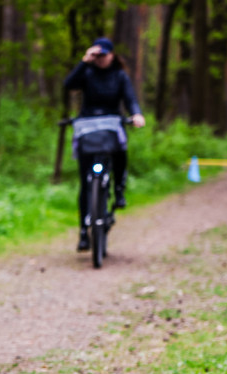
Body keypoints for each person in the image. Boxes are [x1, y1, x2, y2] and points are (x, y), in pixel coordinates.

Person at [64, 37, 145, 252]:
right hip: (87, 127)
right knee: (85, 183)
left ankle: (119, 190)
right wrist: (84, 61)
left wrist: (136, 114)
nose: (100, 60)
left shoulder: (119, 75)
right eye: (97, 56)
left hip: (112, 125)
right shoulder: (87, 73)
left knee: (120, 151)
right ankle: (84, 231)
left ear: (112, 55)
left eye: (104, 55)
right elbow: (68, 85)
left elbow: (130, 98)